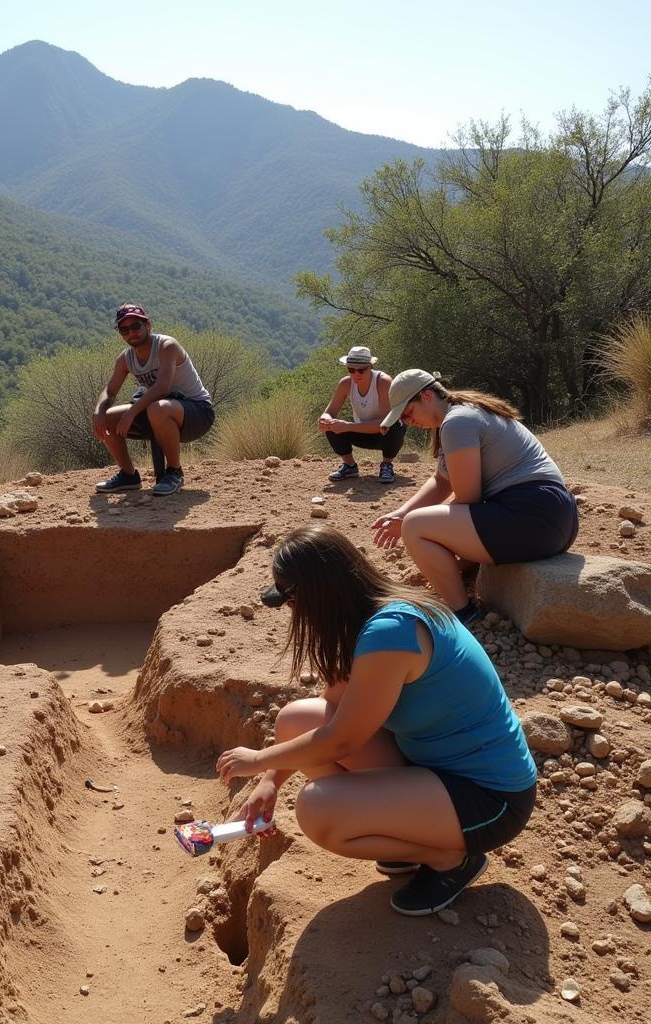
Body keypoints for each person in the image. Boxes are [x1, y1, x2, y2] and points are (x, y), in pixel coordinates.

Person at [216, 525, 538, 916]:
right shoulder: (371, 615)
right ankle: (409, 833)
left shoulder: (390, 632)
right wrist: (270, 782)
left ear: (313, 596)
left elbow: (341, 741)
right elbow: (331, 706)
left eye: (290, 601)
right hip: (436, 769)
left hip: (490, 799)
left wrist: (259, 760)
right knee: (296, 719)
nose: (292, 612)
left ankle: (451, 858)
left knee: (319, 813)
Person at [371, 370, 578, 627]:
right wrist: (400, 513)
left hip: (534, 516)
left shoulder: (457, 422)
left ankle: (464, 613)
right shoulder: (461, 413)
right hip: (557, 517)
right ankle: (464, 574)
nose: (407, 421)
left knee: (416, 527)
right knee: (417, 521)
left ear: (426, 395)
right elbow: (442, 481)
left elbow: (468, 498)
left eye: (407, 412)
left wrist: (408, 524)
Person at [92, 303, 215, 497]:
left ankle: (174, 472)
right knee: (108, 417)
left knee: (157, 408)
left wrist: (131, 413)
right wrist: (98, 412)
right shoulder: (125, 359)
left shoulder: (167, 346)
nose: (131, 332)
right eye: (124, 329)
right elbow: (109, 391)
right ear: (120, 333)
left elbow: (162, 387)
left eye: (136, 326)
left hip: (197, 413)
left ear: (148, 325)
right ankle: (129, 476)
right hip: (159, 411)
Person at [318, 346, 406, 484]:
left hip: (385, 433)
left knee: (394, 424)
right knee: (332, 425)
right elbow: (329, 412)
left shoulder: (383, 382)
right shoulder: (345, 384)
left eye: (361, 370)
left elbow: (385, 423)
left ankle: (387, 464)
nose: (356, 374)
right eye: (351, 370)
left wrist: (347, 426)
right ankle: (350, 466)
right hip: (361, 431)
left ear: (370, 367)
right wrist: (325, 420)